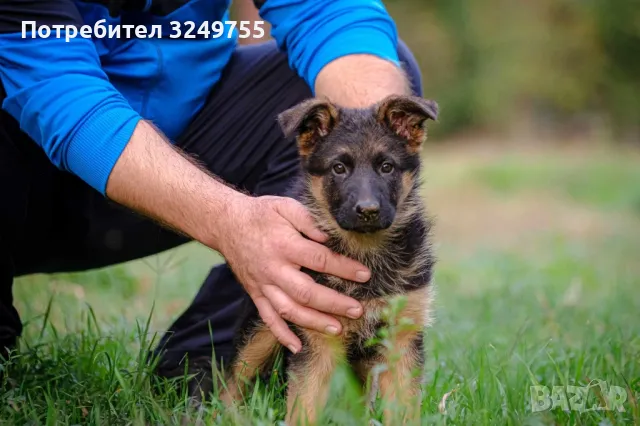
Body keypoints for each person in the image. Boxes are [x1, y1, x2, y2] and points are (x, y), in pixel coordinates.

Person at [0, 0, 423, 393]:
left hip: (186, 132)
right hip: (26, 163)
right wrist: (229, 219)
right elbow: (55, 87)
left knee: (379, 75)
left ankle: (206, 367)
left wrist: (375, 139)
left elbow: (328, 12)